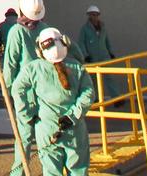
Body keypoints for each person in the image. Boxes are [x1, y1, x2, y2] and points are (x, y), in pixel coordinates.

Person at [12, 26, 94, 176]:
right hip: (74, 129)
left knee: (51, 171)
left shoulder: (33, 68)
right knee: (78, 170)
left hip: (46, 129)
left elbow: (17, 89)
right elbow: (88, 93)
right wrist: (72, 115)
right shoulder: (77, 67)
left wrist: (27, 115)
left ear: (40, 49)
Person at [3, 0, 46, 174]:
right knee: (47, 135)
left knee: (24, 137)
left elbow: (10, 64)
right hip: (45, 90)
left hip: (26, 92)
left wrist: (9, 90)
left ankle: (18, 173)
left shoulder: (17, 31)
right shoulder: (45, 28)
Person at [77, 5, 121, 105]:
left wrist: (111, 52)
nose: (94, 17)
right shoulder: (85, 29)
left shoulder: (102, 27)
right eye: (92, 15)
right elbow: (81, 42)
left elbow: (106, 41)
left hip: (104, 56)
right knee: (93, 80)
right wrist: (85, 55)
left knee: (109, 77)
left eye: (96, 15)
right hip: (92, 58)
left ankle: (116, 98)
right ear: (89, 16)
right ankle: (94, 98)